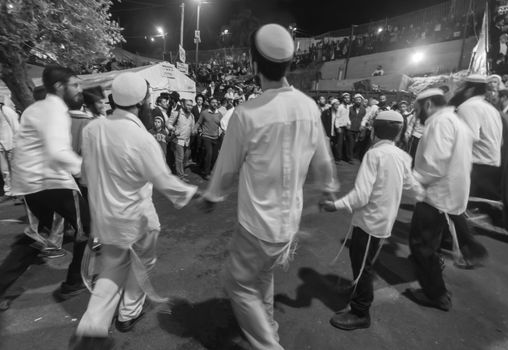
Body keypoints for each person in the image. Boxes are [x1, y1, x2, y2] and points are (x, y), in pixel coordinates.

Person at [200, 24, 339, 350]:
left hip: (256, 226)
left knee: (237, 284)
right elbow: (323, 159)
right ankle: (270, 328)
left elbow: (226, 168)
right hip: (288, 224)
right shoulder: (307, 106)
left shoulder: (247, 114)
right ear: (289, 64)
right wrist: (330, 187)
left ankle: (267, 345)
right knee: (261, 278)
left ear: (252, 65)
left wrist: (211, 195)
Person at [73, 72, 197, 348]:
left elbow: (84, 176)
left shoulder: (93, 129)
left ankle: (92, 325)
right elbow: (164, 180)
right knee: (142, 266)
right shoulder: (141, 138)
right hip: (138, 220)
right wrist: (192, 194)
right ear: (142, 102)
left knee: (111, 270)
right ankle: (128, 314)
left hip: (106, 220)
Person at [320, 110, 423, 330]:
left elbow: (361, 195)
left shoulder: (374, 155)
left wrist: (335, 205)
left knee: (362, 267)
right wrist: (428, 196)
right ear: (398, 132)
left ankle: (360, 312)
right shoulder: (401, 155)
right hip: (381, 222)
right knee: (362, 262)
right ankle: (358, 293)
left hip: (370, 222)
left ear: (375, 130)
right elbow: (411, 186)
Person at [11, 65, 89, 300]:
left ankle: (3, 284)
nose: (79, 89)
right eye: (75, 84)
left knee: (37, 236)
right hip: (52, 183)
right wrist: (87, 170)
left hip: (30, 185)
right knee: (89, 226)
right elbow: (58, 152)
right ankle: (74, 281)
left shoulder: (35, 109)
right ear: (59, 86)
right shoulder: (56, 111)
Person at [405, 89, 485, 311]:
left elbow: (434, 165)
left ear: (428, 104)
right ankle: (465, 251)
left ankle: (436, 295)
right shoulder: (456, 121)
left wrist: (408, 180)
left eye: (418, 109)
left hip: (435, 197)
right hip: (451, 195)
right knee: (431, 243)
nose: (417, 114)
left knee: (421, 245)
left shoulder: (438, 123)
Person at [455, 75, 503, 201]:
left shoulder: (468, 107)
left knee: (463, 210)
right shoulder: (492, 109)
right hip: (491, 167)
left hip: (475, 167)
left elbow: (467, 138)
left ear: (469, 90)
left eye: (462, 87)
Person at [193, 97, 222, 180]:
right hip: (206, 137)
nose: (215, 104)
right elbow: (199, 122)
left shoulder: (219, 114)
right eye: (213, 102)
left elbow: (222, 124)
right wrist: (195, 129)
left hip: (216, 137)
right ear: (209, 104)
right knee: (209, 154)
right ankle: (206, 173)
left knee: (214, 157)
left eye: (216, 102)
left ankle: (209, 169)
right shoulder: (204, 113)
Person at [167, 99, 195, 180]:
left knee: (185, 158)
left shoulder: (192, 116)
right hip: (178, 140)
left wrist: (194, 131)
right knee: (179, 158)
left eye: (191, 105)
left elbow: (192, 128)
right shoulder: (177, 113)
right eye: (188, 105)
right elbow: (168, 123)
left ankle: (180, 171)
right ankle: (180, 176)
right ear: (183, 105)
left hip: (187, 141)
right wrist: (173, 129)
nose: (190, 107)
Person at [0, 100, 19, 202]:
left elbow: (16, 126)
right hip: (1, 146)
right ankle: (8, 191)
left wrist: (17, 142)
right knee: (4, 170)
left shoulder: (5, 110)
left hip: (11, 143)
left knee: (14, 168)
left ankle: (19, 192)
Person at [345, 94, 366, 163]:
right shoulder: (350, 108)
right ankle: (350, 158)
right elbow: (347, 116)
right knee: (351, 143)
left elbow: (364, 118)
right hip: (350, 128)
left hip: (358, 129)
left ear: (361, 101)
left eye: (359, 100)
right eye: (357, 100)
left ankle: (350, 156)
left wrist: (362, 125)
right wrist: (348, 123)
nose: (358, 101)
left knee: (354, 143)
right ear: (354, 100)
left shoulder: (363, 109)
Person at [321, 98, 342, 163]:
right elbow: (322, 122)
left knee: (336, 145)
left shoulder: (340, 112)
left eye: (338, 104)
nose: (337, 106)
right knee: (328, 145)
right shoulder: (326, 112)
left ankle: (336, 158)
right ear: (332, 105)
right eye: (336, 104)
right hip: (328, 131)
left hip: (336, 131)